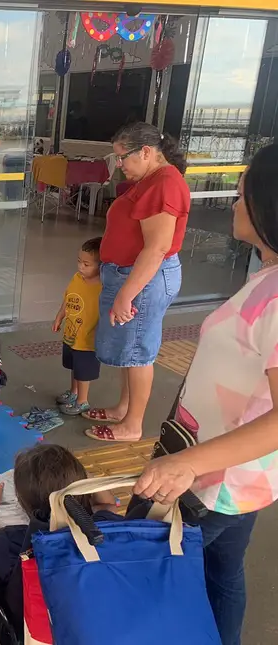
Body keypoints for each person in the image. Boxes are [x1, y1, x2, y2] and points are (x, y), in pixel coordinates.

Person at [132, 144, 278, 645]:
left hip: (213, 479)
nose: (234, 205)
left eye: (242, 196)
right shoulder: (266, 277)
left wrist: (188, 465)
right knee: (223, 571)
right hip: (236, 475)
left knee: (144, 573)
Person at [85, 122, 189, 443]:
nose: (120, 166)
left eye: (123, 158)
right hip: (131, 276)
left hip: (143, 279)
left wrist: (126, 295)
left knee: (139, 352)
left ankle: (133, 425)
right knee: (130, 350)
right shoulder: (151, 179)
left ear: (146, 152)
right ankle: (124, 408)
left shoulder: (165, 184)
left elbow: (156, 248)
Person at [0, 445, 121, 626]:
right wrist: (80, 479)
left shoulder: (13, 541)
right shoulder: (103, 527)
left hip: (32, 624)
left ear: (21, 501)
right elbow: (107, 504)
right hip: (100, 617)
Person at [52, 237, 103, 416]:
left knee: (83, 370)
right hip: (72, 333)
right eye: (79, 262)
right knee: (74, 366)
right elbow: (68, 298)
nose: (81, 267)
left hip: (88, 339)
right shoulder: (77, 279)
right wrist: (60, 316)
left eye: (86, 264)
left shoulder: (102, 287)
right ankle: (74, 393)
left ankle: (83, 400)